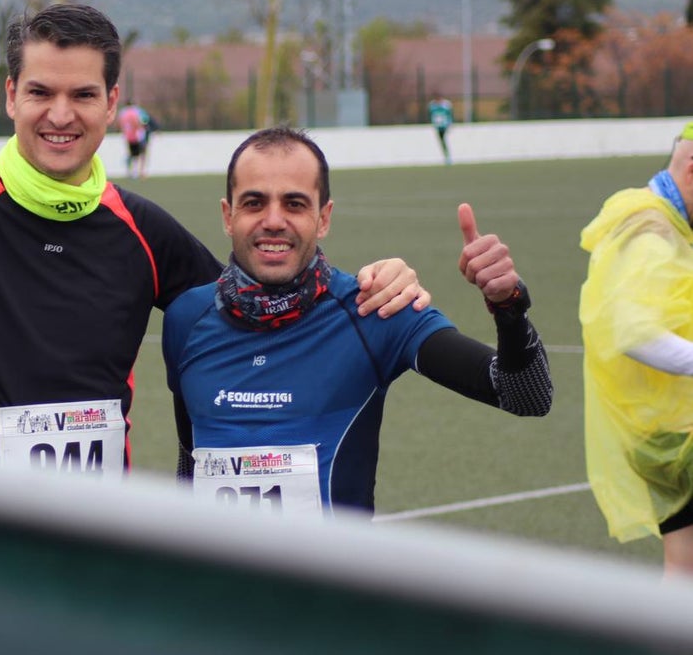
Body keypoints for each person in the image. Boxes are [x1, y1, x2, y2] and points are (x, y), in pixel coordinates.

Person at [0, 3, 427, 479]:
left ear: (112, 102)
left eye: (82, 94)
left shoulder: (141, 230)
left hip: (90, 541)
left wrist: (375, 282)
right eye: (40, 91)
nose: (60, 114)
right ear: (10, 95)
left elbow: (258, 307)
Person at [163, 126, 553, 518]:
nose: (274, 221)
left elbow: (527, 395)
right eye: (254, 203)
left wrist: (509, 306)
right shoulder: (187, 318)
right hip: (213, 582)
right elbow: (190, 461)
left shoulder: (375, 308)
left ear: (324, 217)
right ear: (228, 216)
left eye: (295, 204)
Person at [579, 122, 693, 579]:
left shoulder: (661, 218)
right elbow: (634, 332)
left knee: (684, 563)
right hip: (672, 430)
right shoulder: (651, 229)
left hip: (662, 428)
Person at [118, 100, 158, 179]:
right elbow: (142, 121)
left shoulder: (122, 113)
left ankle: (131, 172)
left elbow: (120, 124)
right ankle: (141, 172)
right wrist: (141, 128)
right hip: (137, 136)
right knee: (142, 153)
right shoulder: (136, 111)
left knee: (132, 154)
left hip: (128, 137)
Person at [428, 94, 454, 166]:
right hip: (438, 126)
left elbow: (450, 114)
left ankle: (447, 157)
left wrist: (450, 124)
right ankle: (446, 157)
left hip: (445, 126)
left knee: (443, 140)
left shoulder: (446, 105)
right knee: (441, 141)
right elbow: (431, 115)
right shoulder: (432, 105)